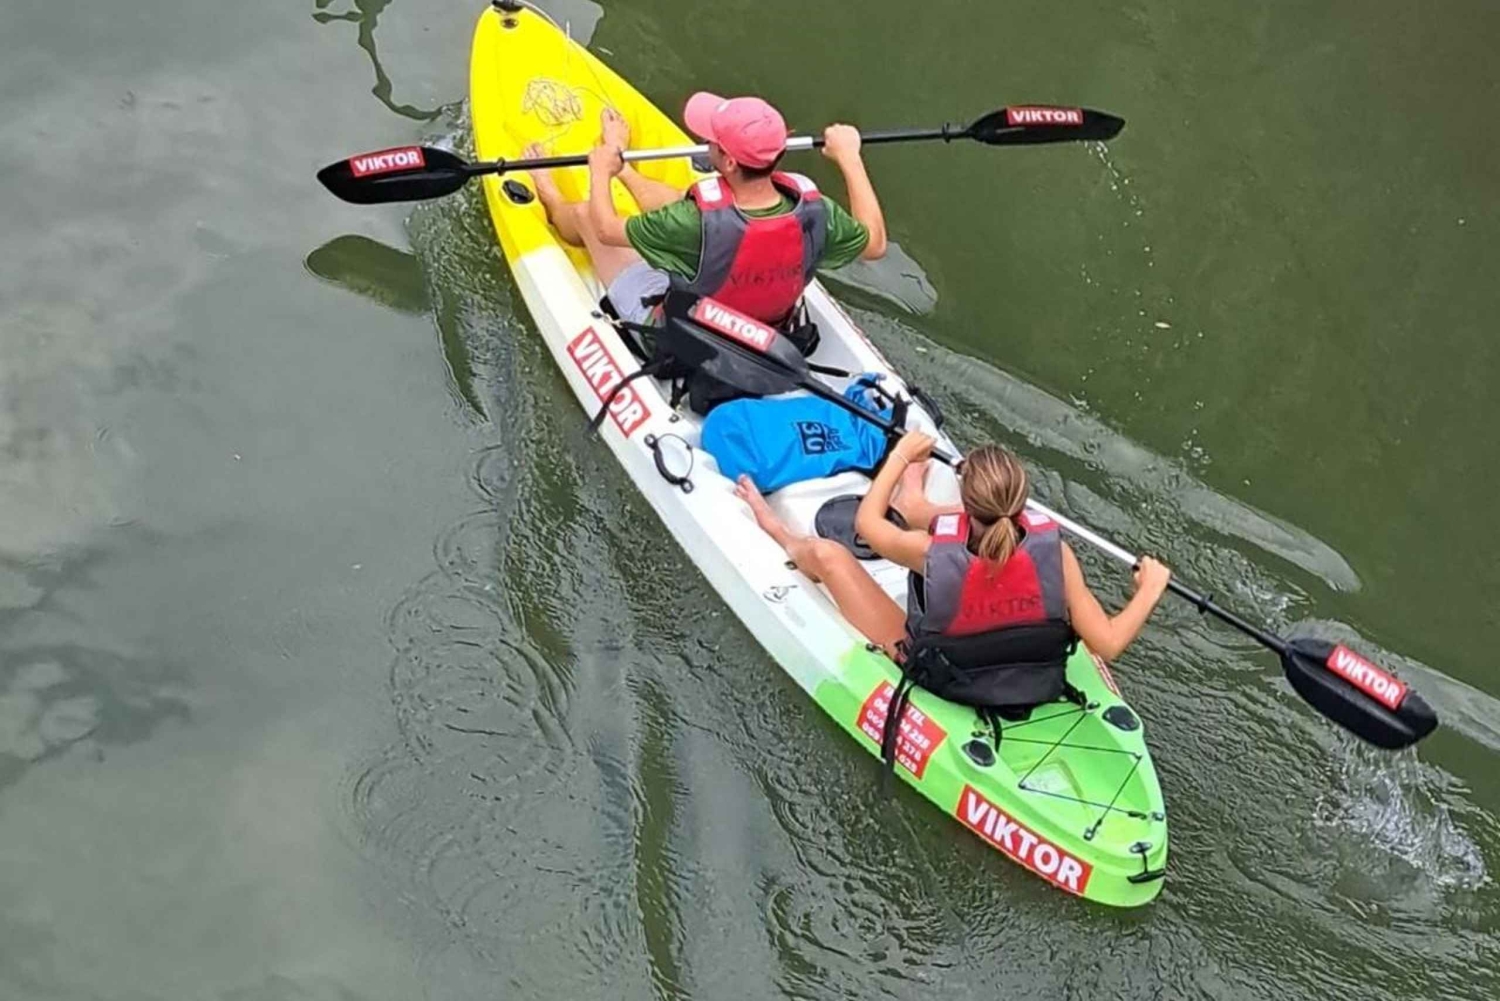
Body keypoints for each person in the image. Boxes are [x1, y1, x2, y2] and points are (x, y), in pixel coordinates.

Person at [734, 432, 1172, 676]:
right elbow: (1109, 644)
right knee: (929, 516)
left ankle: (780, 534)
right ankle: (915, 505)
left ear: (967, 503)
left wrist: (901, 456)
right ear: (1022, 504)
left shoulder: (928, 552)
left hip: (945, 674)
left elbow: (867, 525)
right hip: (1027, 673)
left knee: (829, 555)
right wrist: (1149, 590)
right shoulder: (1057, 555)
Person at [525, 94, 887, 328]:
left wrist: (601, 170)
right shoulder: (815, 211)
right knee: (687, 201)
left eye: (712, 139)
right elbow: (875, 246)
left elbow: (606, 228)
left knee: (589, 215)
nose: (706, 141)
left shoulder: (692, 224)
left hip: (681, 333)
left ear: (728, 160)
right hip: (765, 328)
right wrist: (850, 158)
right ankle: (630, 174)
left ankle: (551, 198)